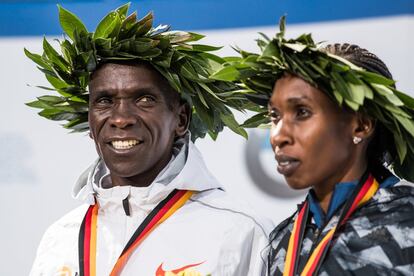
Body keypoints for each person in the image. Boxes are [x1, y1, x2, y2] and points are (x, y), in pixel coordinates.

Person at [26, 4, 270, 276]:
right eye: (105, 101)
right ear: (90, 123)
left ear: (181, 120)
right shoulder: (60, 240)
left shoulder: (240, 232)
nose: (121, 118)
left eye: (144, 99)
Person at [212, 17, 414, 275]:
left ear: (361, 125)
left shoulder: (407, 219)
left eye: (302, 112)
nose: (277, 135)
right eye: (275, 116)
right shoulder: (283, 238)